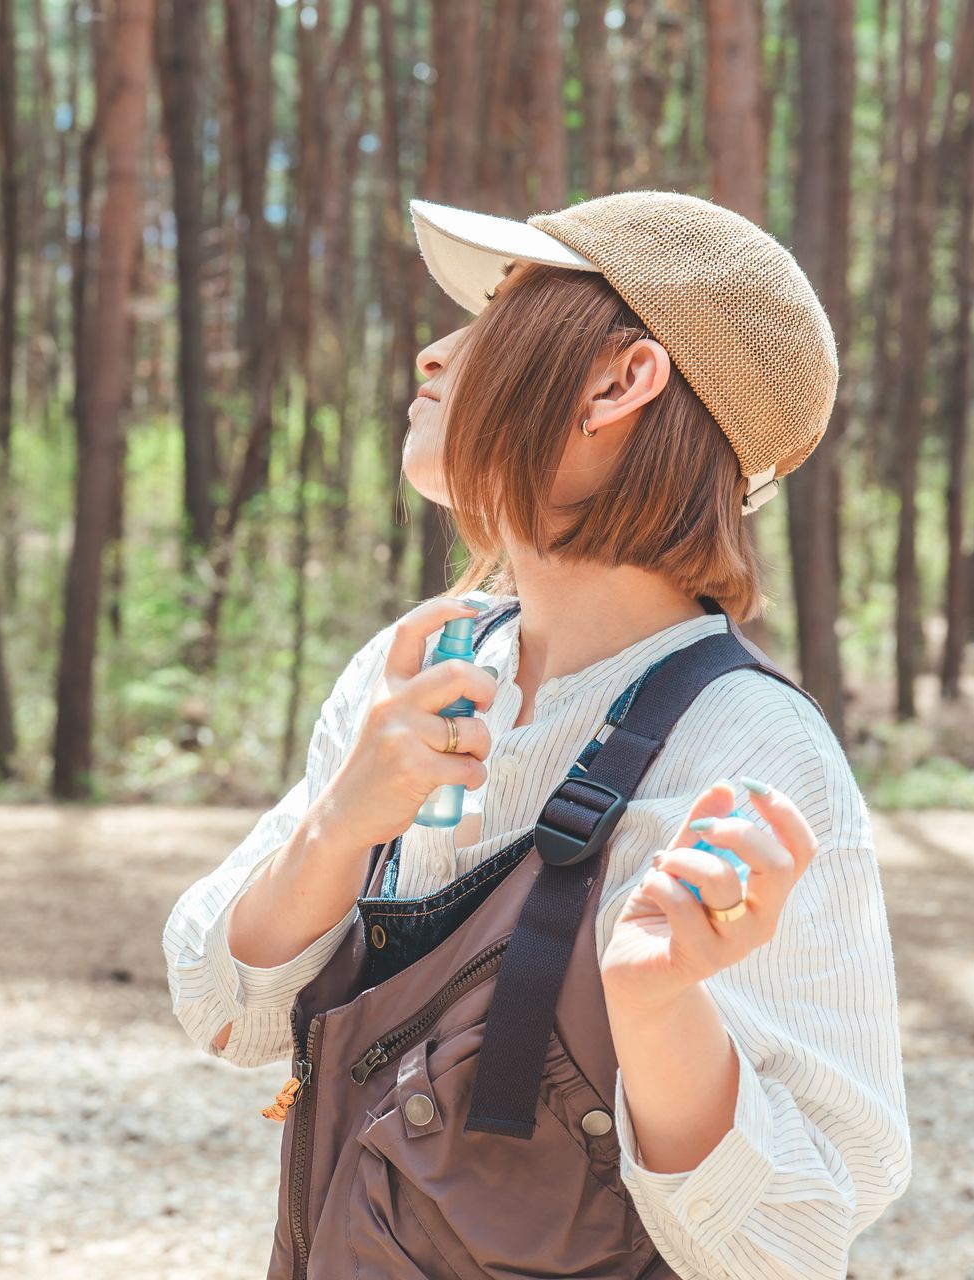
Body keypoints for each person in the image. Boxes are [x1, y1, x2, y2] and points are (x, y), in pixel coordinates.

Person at [162, 190, 911, 1279]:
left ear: (619, 379)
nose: (433, 351)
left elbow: (792, 1242)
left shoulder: (754, 750)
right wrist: (338, 826)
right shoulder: (411, 669)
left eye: (503, 304)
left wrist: (658, 1006)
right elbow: (230, 1020)